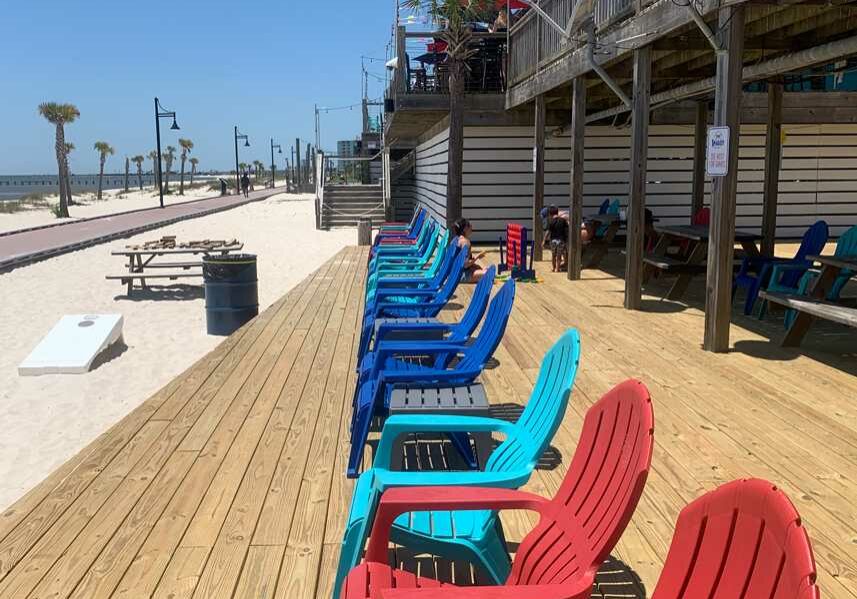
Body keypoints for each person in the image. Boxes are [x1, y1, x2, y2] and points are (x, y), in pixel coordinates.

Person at [453, 217, 487, 283]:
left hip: (454, 273)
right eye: (468, 225)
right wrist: (477, 256)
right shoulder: (466, 242)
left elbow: (461, 261)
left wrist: (475, 266)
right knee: (487, 273)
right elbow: (465, 264)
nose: (471, 226)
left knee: (479, 268)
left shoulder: (457, 239)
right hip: (461, 275)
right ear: (465, 229)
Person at [546, 205, 569, 272]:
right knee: (559, 255)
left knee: (553, 255)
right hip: (561, 240)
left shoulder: (551, 222)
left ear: (550, 214)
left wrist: (544, 240)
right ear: (557, 212)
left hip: (553, 240)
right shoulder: (563, 220)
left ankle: (553, 268)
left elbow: (548, 231)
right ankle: (557, 269)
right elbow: (567, 230)